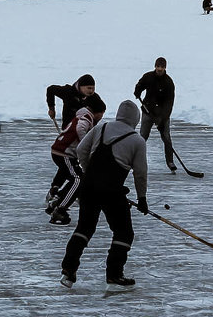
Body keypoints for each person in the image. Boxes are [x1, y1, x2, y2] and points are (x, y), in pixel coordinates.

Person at [60, 100, 148, 288]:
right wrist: (142, 198)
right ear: (136, 119)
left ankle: (69, 268)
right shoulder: (137, 140)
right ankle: (114, 273)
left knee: (84, 228)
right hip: (112, 191)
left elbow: (82, 149)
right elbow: (140, 173)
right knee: (124, 232)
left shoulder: (102, 127)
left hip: (88, 187)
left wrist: (89, 172)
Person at [46, 95, 106, 225]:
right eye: (102, 114)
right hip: (64, 153)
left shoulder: (83, 117)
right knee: (78, 180)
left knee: (79, 179)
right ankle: (60, 209)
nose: (101, 117)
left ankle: (58, 201)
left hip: (64, 153)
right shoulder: (86, 119)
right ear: (98, 112)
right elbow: (80, 129)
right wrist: (85, 143)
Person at [134, 56, 176, 172]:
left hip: (162, 114)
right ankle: (135, 161)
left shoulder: (169, 82)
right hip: (148, 111)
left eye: (162, 67)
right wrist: (137, 91)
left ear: (165, 68)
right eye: (158, 66)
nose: (159, 69)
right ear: (155, 66)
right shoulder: (148, 77)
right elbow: (140, 85)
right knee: (142, 137)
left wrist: (163, 120)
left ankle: (170, 162)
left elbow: (169, 103)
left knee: (166, 138)